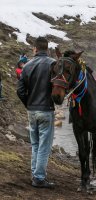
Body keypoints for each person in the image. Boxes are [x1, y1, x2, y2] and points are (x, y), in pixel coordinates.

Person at [17, 37, 56, 188]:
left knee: (35, 143)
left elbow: (20, 90)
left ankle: (35, 174)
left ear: (35, 49)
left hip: (31, 110)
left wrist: (29, 103)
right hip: (46, 109)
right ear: (47, 49)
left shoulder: (27, 66)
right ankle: (39, 178)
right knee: (44, 146)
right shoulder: (53, 64)